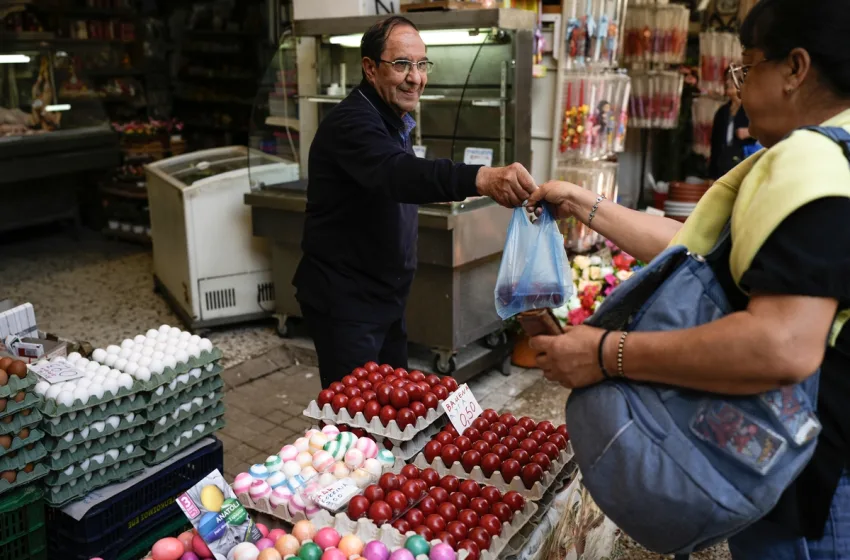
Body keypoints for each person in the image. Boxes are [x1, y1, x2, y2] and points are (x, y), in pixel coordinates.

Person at [525, 0, 850, 556]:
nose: (739, 90)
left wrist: (608, 353)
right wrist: (584, 201)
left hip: (804, 472)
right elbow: (698, 249)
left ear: (795, 69)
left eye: (747, 69)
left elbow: (783, 345)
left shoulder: (812, 163)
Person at [294, 16, 537, 387]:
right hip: (347, 301)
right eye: (402, 64)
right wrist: (481, 177)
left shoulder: (392, 118)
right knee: (355, 421)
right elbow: (399, 174)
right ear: (370, 68)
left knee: (392, 407)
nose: (416, 77)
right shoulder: (353, 124)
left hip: (385, 297)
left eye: (422, 64)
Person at [708, 72, 758, 179]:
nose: (728, 82)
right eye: (726, 79)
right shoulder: (722, 112)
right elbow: (715, 145)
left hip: (746, 165)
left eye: (732, 79)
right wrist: (712, 175)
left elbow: (770, 132)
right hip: (723, 167)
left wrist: (749, 132)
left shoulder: (753, 109)